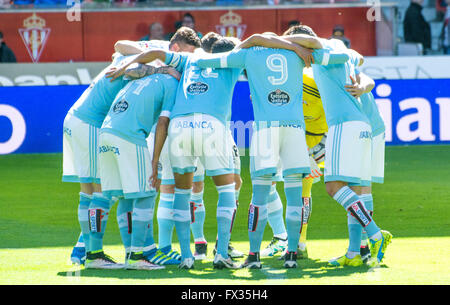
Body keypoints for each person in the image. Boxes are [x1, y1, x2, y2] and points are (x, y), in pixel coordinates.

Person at [196, 32, 350, 269]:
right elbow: (340, 57)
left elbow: (205, 61)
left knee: (259, 197)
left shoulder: (248, 54)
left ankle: (254, 256)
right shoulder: (297, 53)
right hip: (295, 129)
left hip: (265, 130)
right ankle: (291, 254)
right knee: (295, 196)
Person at [107, 39, 243, 270]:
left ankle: (186, 255)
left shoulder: (189, 59)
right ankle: (221, 253)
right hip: (212, 125)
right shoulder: (235, 60)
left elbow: (158, 52)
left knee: (181, 192)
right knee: (226, 188)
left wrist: (124, 66)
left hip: (179, 127)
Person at [275, 25, 392, 268]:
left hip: (344, 125)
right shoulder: (344, 54)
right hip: (363, 124)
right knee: (359, 189)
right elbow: (360, 64)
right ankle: (355, 253)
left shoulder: (324, 53)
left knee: (334, 186)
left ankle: (375, 235)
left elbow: (310, 46)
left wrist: (279, 41)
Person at [98, 63, 180, 271]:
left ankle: (123, 253)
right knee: (147, 192)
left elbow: (131, 69)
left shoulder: (142, 76)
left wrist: (157, 69)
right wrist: (154, 161)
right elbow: (163, 123)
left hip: (106, 132)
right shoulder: (172, 84)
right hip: (130, 135)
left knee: (125, 195)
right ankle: (136, 256)